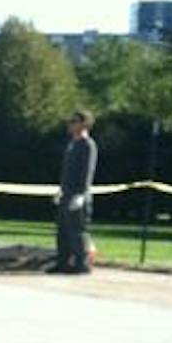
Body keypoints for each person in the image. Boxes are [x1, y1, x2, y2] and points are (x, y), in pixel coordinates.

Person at [52, 109, 97, 274]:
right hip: (67, 193)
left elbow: (87, 172)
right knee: (63, 230)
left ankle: (81, 263)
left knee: (77, 231)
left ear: (83, 124)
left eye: (74, 122)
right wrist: (62, 190)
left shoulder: (87, 145)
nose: (70, 125)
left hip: (78, 195)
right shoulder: (72, 144)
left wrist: (80, 194)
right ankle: (62, 262)